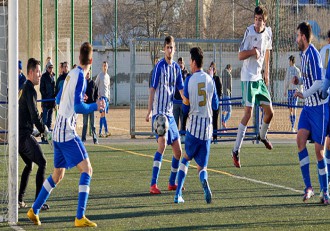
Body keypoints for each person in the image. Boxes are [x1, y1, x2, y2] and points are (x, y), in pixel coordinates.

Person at [27, 42, 105, 227]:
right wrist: (96, 105)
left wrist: (74, 99)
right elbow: (78, 107)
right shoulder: (81, 78)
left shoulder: (71, 73)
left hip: (57, 131)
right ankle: (79, 217)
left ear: (79, 58)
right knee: (87, 170)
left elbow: (57, 98)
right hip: (67, 133)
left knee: (57, 175)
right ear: (91, 60)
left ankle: (34, 210)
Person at [174, 47, 219, 204]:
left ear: (193, 62)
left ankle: (178, 194)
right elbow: (215, 105)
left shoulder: (189, 80)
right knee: (202, 167)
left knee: (185, 159)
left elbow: (185, 108)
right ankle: (204, 182)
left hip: (193, 128)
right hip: (207, 130)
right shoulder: (210, 80)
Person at [232, 5, 274, 168]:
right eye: (255, 19)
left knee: (270, 113)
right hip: (248, 77)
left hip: (259, 79)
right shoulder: (249, 32)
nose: (257, 23)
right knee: (248, 113)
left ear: (265, 21)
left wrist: (267, 71)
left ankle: (262, 136)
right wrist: (252, 52)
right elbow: (240, 55)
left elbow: (268, 50)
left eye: (260, 20)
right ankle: (236, 150)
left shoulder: (268, 32)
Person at [293, 22, 329, 204]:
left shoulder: (313, 54)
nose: (296, 38)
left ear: (304, 37)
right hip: (308, 108)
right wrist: (298, 79)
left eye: (297, 35)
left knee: (319, 151)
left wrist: (303, 93)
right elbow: (307, 77)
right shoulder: (303, 55)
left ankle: (325, 191)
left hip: (319, 108)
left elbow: (319, 81)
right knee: (299, 140)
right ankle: (309, 187)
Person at [145, 35, 184, 194]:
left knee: (178, 151)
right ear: (164, 49)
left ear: (174, 49)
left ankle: (171, 182)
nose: (169, 50)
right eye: (167, 47)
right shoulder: (159, 66)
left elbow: (181, 90)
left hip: (170, 115)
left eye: (172, 47)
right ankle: (153, 184)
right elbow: (152, 89)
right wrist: (149, 111)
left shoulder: (176, 68)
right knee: (162, 144)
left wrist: (188, 101)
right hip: (159, 114)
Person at [19, 58, 50, 210]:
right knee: (43, 163)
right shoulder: (29, 88)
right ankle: (38, 202)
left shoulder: (26, 87)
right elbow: (34, 114)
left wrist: (37, 130)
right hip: (23, 137)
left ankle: (19, 200)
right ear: (30, 73)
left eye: (40, 71)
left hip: (20, 135)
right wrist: (44, 130)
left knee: (29, 165)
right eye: (37, 71)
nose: (39, 74)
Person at [283, 55, 301, 132]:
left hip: (294, 91)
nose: (288, 62)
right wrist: (285, 90)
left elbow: (300, 81)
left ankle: (293, 126)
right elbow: (287, 81)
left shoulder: (297, 70)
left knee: (293, 108)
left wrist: (300, 91)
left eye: (289, 61)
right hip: (291, 91)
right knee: (291, 108)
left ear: (291, 61)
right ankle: (292, 124)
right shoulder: (290, 69)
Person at [173, 57, 189, 142]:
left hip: (183, 100)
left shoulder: (186, 73)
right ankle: (175, 137)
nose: (180, 64)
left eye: (181, 63)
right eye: (179, 63)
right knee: (175, 119)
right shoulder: (174, 73)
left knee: (183, 119)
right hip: (175, 99)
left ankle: (183, 135)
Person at [82, 70, 99, 144]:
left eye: (88, 73)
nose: (87, 75)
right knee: (85, 123)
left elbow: (96, 93)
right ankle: (83, 139)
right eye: (86, 74)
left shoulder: (93, 83)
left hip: (91, 106)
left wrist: (95, 101)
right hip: (85, 106)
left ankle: (95, 139)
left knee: (93, 124)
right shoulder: (83, 83)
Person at [95, 61, 111, 137]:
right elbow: (95, 85)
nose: (105, 67)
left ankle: (101, 132)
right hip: (101, 97)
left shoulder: (108, 76)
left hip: (106, 97)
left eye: (106, 66)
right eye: (104, 65)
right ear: (102, 67)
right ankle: (105, 131)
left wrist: (109, 97)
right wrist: (98, 95)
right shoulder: (100, 75)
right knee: (103, 113)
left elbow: (108, 87)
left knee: (103, 115)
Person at [40, 60, 56, 130]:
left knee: (49, 120)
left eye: (52, 67)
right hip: (46, 101)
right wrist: (46, 97)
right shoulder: (44, 77)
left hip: (51, 101)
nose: (51, 69)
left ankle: (48, 136)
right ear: (47, 68)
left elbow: (54, 88)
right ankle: (44, 136)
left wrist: (54, 98)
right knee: (45, 120)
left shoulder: (53, 76)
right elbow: (41, 89)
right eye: (49, 67)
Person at [208, 62, 222, 141]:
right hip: (208, 104)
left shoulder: (217, 78)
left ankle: (215, 137)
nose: (211, 70)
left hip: (215, 103)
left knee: (215, 120)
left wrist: (217, 99)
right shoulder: (208, 79)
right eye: (210, 68)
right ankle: (209, 136)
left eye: (213, 68)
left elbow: (220, 90)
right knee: (209, 120)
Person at [221, 64, 232, 129]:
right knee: (229, 111)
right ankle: (224, 121)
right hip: (227, 93)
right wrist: (230, 93)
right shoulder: (229, 75)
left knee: (224, 110)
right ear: (230, 68)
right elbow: (230, 86)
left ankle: (223, 126)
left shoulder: (223, 73)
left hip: (223, 93)